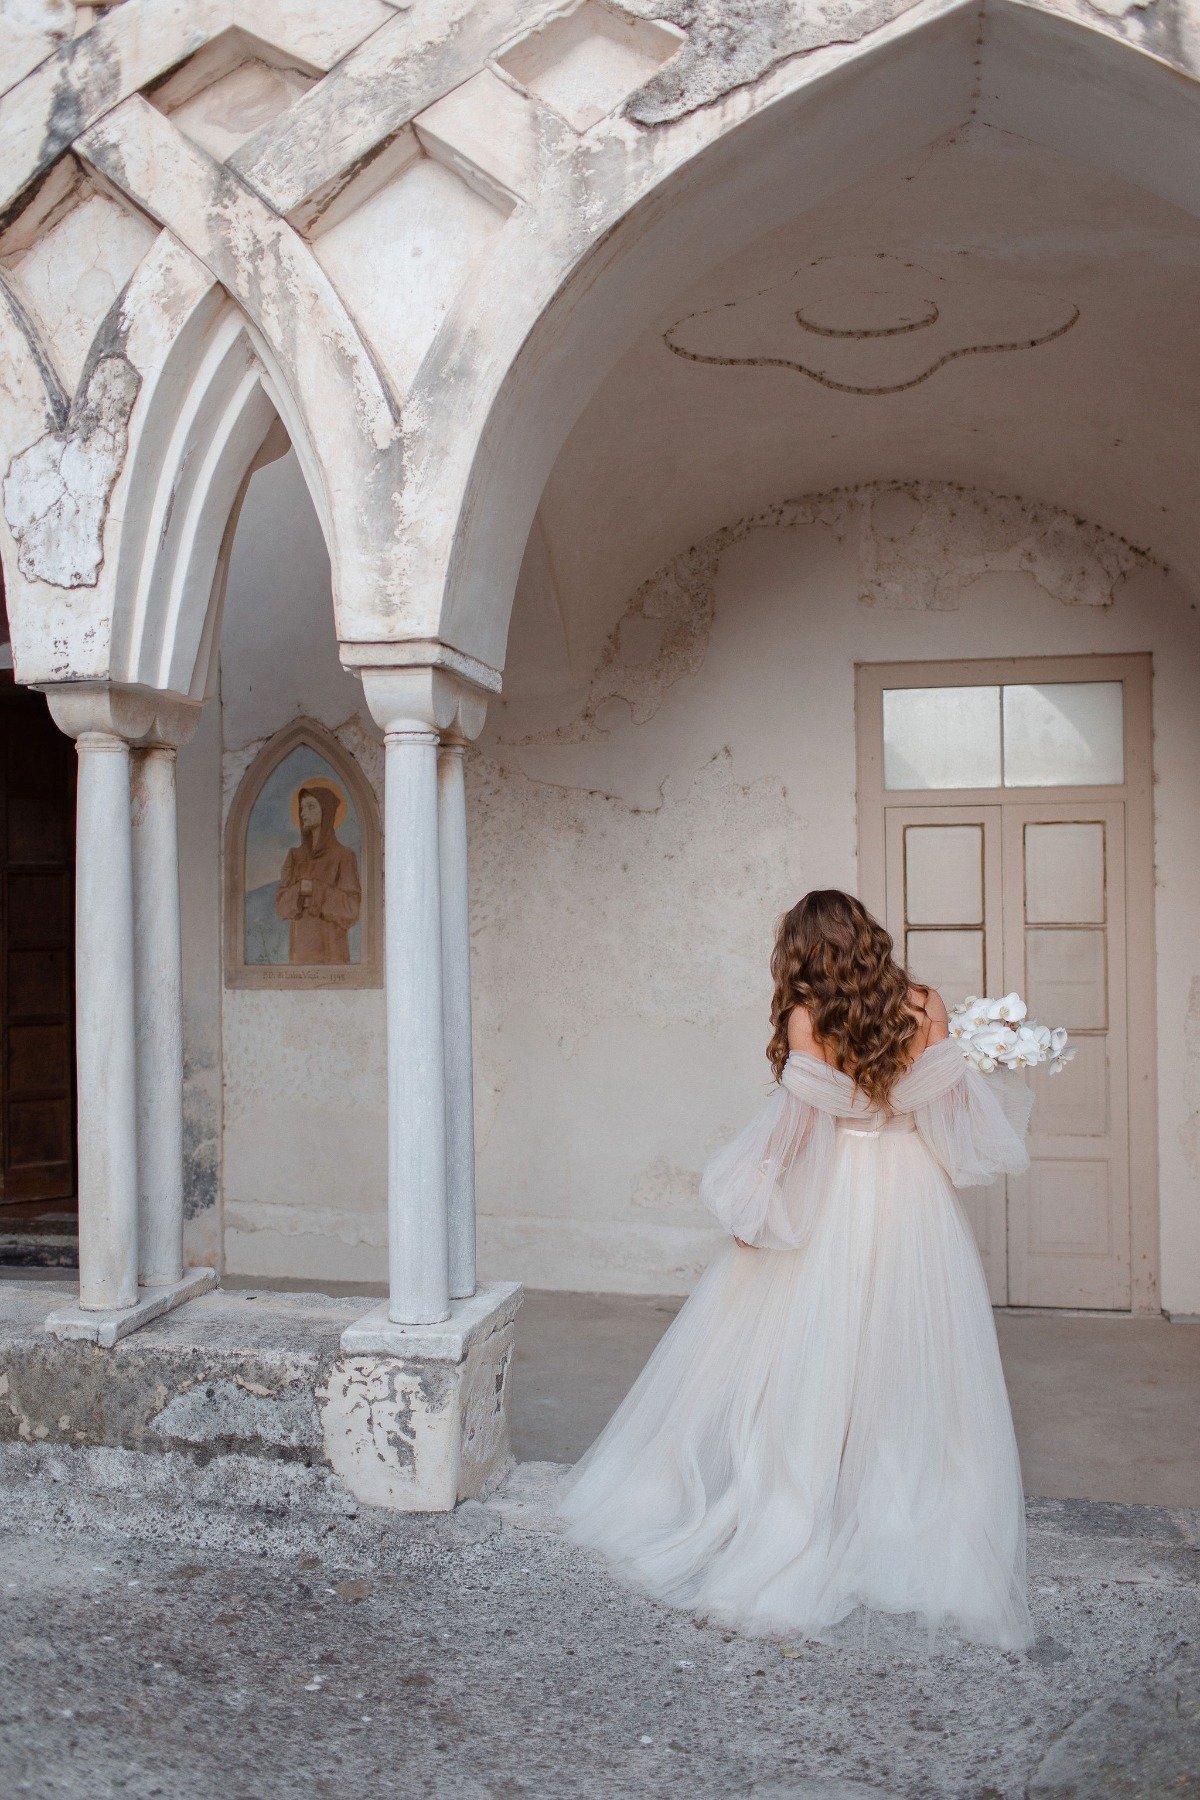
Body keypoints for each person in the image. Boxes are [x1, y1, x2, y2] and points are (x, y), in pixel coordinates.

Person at [560, 888, 1034, 1650]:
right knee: (906, 1346)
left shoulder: (808, 1018)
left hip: (841, 1189)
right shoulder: (922, 1005)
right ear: (868, 938)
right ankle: (898, 1494)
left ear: (805, 949)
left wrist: (758, 1201)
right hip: (912, 1191)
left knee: (813, 1341)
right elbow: (947, 1120)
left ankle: (809, 1493)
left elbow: (796, 1128)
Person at [275, 783, 361, 964]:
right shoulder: (294, 856)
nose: (303, 813)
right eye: (301, 808)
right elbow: (281, 905)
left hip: (332, 948)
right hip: (301, 950)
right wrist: (299, 889)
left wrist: (315, 889)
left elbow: (352, 909)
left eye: (311, 807)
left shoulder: (344, 855)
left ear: (326, 812)